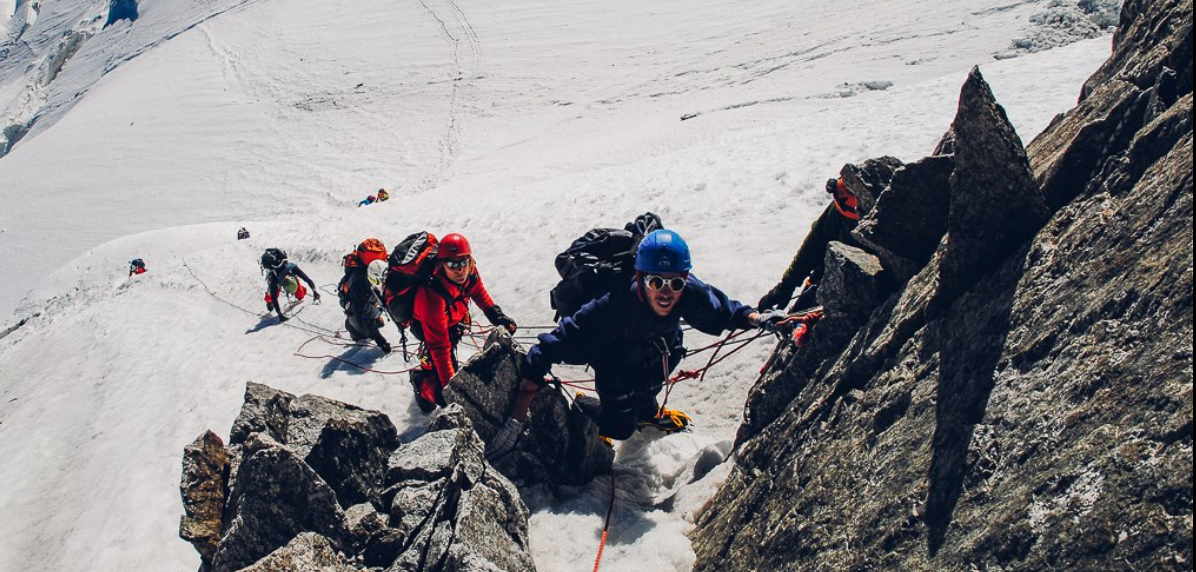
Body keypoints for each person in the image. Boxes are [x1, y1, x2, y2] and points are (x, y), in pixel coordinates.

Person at [485, 229, 786, 458]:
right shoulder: (612, 306)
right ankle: (589, 410)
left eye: (675, 282)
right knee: (619, 429)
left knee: (646, 395)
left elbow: (724, 310)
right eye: (656, 282)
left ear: (685, 278)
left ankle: (646, 412)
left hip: (660, 357)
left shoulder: (689, 292)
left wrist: (758, 319)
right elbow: (552, 345)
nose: (666, 292)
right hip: (617, 370)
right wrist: (517, 414)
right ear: (641, 277)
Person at [408, 233, 517, 412]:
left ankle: (428, 367)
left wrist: (498, 316)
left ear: (469, 260)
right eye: (452, 263)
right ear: (442, 265)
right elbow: (439, 347)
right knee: (442, 396)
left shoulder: (470, 272)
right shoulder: (431, 295)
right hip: (432, 329)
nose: (459, 269)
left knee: (449, 367)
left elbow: (480, 294)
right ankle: (421, 383)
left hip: (452, 323)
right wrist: (452, 391)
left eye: (462, 262)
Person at [757, 176, 863, 312]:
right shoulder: (840, 207)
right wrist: (787, 284)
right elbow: (816, 242)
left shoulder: (880, 227)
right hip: (826, 272)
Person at [341, 239, 392, 351]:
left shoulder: (377, 270)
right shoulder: (358, 281)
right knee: (363, 332)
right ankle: (352, 327)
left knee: (375, 305)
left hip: (368, 295)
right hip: (354, 300)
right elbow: (362, 313)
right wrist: (380, 341)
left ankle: (375, 314)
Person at [260, 248, 320, 322]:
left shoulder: (292, 268)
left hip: (287, 277)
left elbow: (307, 279)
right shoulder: (274, 279)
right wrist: (279, 314)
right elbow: (274, 298)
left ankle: (299, 291)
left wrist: (314, 291)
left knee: (300, 296)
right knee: (272, 295)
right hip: (277, 278)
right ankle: (268, 301)